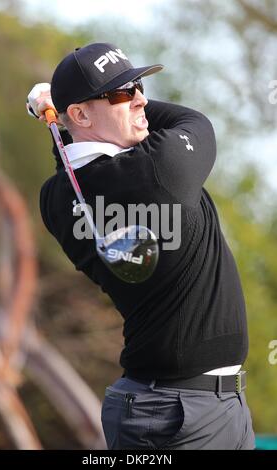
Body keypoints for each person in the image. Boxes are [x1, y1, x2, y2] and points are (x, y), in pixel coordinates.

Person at [27, 42, 255, 450]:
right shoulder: (160, 167)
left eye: (138, 87)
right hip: (186, 413)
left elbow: (76, 163)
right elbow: (193, 119)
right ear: (80, 114)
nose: (141, 99)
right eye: (121, 92)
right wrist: (55, 110)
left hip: (173, 405)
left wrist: (66, 116)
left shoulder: (56, 199)